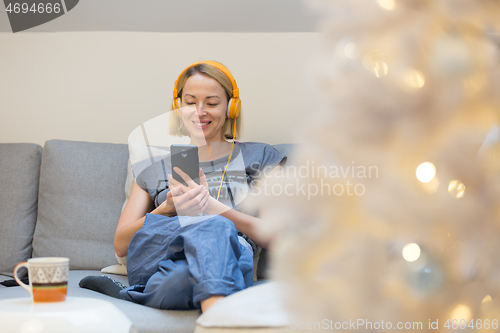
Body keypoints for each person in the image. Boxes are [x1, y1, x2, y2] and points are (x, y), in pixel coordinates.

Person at [101, 61, 285, 312]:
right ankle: (218, 316)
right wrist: (165, 208)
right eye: (190, 102)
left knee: (208, 235)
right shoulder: (152, 168)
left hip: (226, 260)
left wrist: (212, 208)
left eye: (211, 103)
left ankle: (145, 296)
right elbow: (121, 244)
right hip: (161, 256)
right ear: (178, 107)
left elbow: (276, 236)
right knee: (204, 233)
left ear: (231, 107)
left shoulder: (261, 156)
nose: (200, 112)